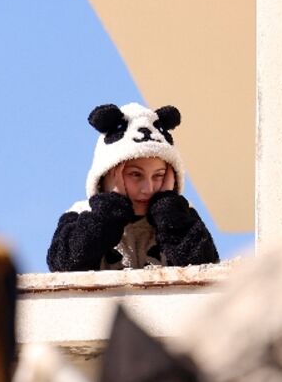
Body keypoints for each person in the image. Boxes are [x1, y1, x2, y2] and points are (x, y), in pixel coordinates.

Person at [46, 102, 220, 271]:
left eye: (159, 175)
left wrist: (168, 211)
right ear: (107, 172)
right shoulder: (81, 212)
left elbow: (207, 268)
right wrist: (110, 211)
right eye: (135, 174)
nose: (147, 188)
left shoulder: (181, 214)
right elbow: (63, 264)